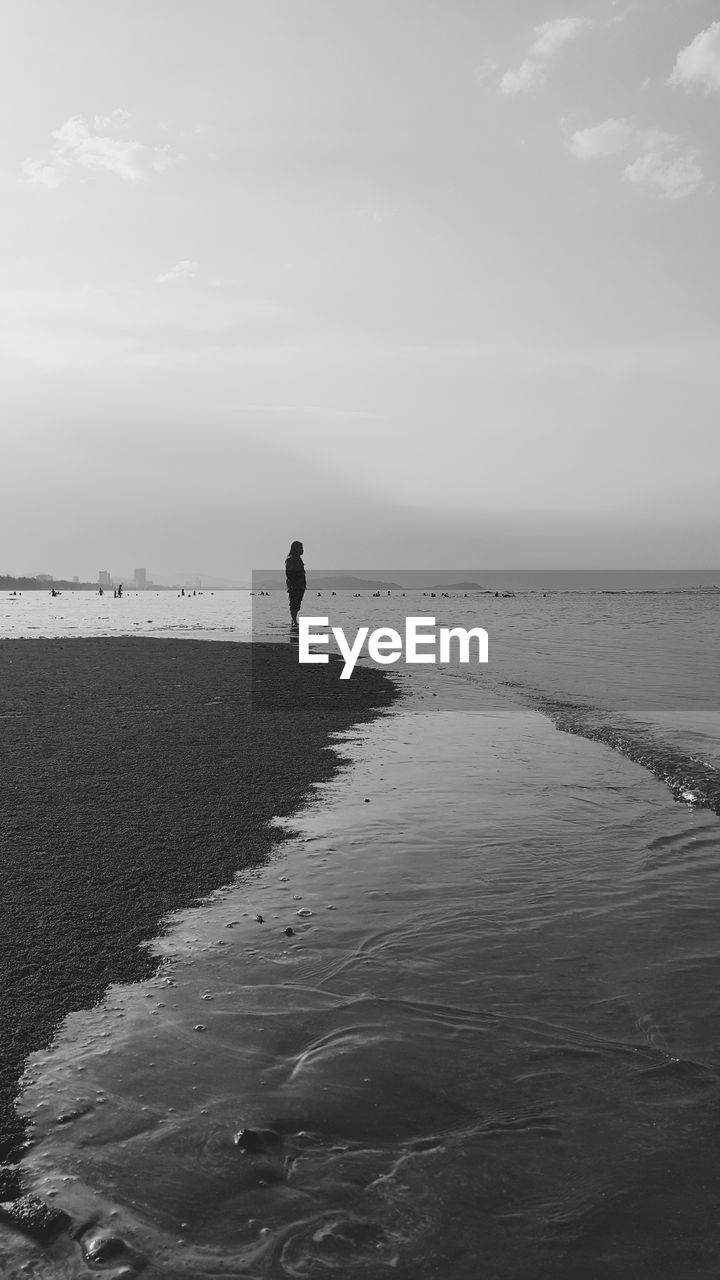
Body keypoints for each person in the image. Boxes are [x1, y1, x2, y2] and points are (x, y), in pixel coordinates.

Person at [285, 540, 306, 627]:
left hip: (300, 585)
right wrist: (293, 585)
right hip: (294, 585)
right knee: (294, 602)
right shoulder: (290, 559)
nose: (302, 550)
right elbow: (289, 573)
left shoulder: (299, 559)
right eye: (300, 548)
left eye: (302, 548)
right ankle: (294, 620)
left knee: (298, 603)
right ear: (295, 549)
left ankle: (294, 619)